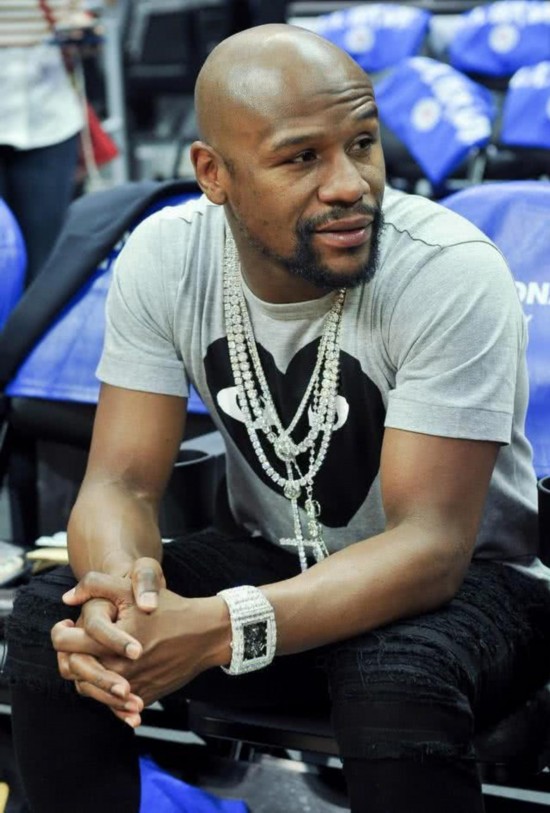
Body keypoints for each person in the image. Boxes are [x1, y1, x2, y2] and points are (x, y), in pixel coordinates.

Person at [5, 23, 550, 813]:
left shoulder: (447, 270)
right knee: (50, 623)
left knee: (392, 678)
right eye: (302, 158)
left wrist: (220, 626)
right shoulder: (167, 255)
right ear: (213, 173)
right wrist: (119, 606)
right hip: (276, 555)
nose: (350, 184)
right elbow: (120, 483)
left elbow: (431, 547)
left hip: (474, 587)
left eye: (362, 144)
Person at [0, 1, 93, 285]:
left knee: (46, 259)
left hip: (49, 120)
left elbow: (86, 24)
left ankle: (37, 315)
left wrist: (80, 32)